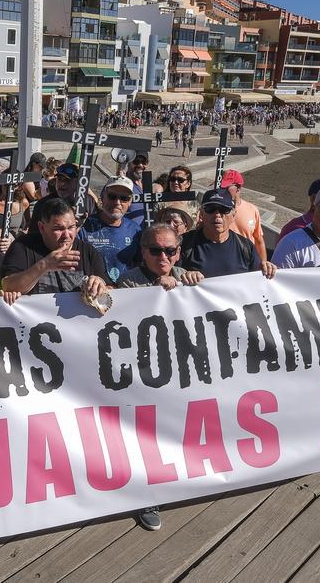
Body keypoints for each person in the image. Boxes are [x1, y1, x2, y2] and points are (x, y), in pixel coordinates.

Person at [115, 224, 203, 531]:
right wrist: (156, 290)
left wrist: (197, 285)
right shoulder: (128, 280)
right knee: (144, 437)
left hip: (179, 371)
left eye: (169, 250)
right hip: (141, 374)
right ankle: (146, 496)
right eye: (155, 251)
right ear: (143, 252)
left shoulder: (187, 277)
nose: (163, 257)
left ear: (178, 252)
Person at [1, 197, 111, 297]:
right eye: (58, 229)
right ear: (42, 228)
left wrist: (100, 284)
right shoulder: (23, 246)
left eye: (71, 227)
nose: (67, 235)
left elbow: (111, 288)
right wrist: (45, 265)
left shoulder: (87, 251)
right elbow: (8, 286)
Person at [178, 189, 276, 279]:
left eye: (224, 209)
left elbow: (258, 280)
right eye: (210, 209)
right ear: (202, 214)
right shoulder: (183, 244)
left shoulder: (246, 246)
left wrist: (267, 268)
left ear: (233, 215)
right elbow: (170, 276)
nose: (217, 215)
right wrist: (183, 275)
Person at [80, 177, 142, 283]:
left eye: (124, 198)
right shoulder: (84, 226)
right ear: (103, 197)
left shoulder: (135, 230)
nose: (117, 202)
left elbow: (140, 265)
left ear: (130, 202)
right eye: (112, 196)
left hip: (124, 290)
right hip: (91, 289)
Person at [219, 170, 268, 263]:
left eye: (226, 187)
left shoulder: (252, 209)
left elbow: (259, 240)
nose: (222, 190)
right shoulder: (214, 211)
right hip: (223, 261)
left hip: (246, 262)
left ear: (238, 188)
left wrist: (263, 263)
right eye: (221, 187)